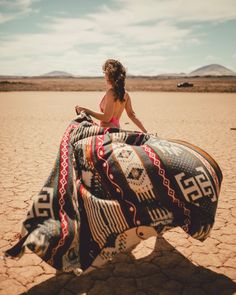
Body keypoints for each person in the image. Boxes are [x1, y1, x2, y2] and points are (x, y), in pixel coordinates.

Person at [75, 59, 147, 133]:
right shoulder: (125, 94)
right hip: (117, 129)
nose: (104, 75)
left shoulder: (111, 93)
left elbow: (106, 118)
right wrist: (145, 132)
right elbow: (132, 116)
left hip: (108, 131)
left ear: (110, 75)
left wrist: (87, 111)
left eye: (105, 73)